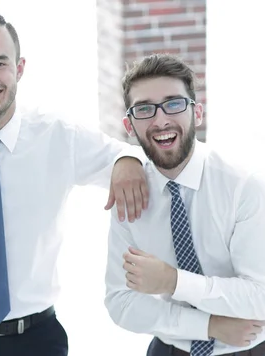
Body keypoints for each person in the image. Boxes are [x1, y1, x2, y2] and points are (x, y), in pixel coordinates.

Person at [0, 11, 149, 356]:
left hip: (38, 339)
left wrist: (128, 160)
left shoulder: (59, 137)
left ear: (20, 68)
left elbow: (124, 155)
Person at [103, 53, 265, 356]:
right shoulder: (129, 192)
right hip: (169, 349)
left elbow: (260, 297)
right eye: (144, 109)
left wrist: (173, 281)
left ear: (198, 113)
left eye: (174, 103)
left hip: (247, 349)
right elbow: (120, 301)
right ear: (129, 124)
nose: (160, 119)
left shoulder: (244, 186)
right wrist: (208, 326)